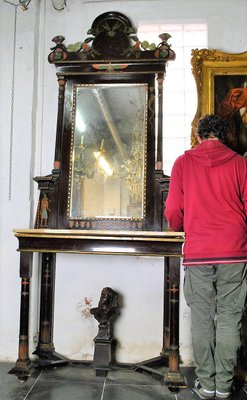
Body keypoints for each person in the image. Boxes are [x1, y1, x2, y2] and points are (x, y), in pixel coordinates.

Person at [164, 114, 247, 400]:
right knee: (229, 319)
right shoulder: (240, 163)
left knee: (201, 318)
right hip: (235, 252)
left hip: (199, 252)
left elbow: (173, 211)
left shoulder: (183, 163)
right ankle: (224, 385)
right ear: (222, 136)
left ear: (199, 136)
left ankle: (206, 383)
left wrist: (182, 226)